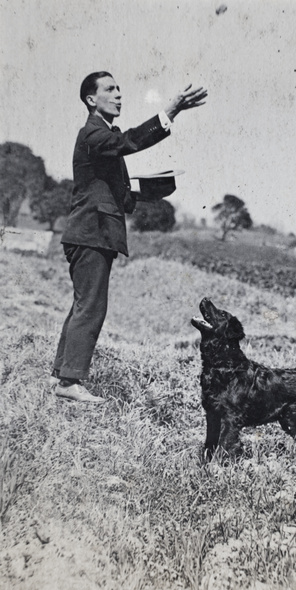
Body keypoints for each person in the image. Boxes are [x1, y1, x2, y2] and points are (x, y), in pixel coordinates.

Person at [51, 71, 207, 402]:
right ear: (92, 100)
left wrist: (150, 188)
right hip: (91, 233)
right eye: (110, 90)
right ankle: (69, 382)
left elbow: (115, 190)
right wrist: (171, 111)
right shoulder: (93, 134)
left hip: (92, 232)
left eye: (119, 88)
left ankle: (62, 376)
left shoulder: (102, 137)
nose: (119, 94)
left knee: (85, 304)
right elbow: (131, 141)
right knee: (91, 307)